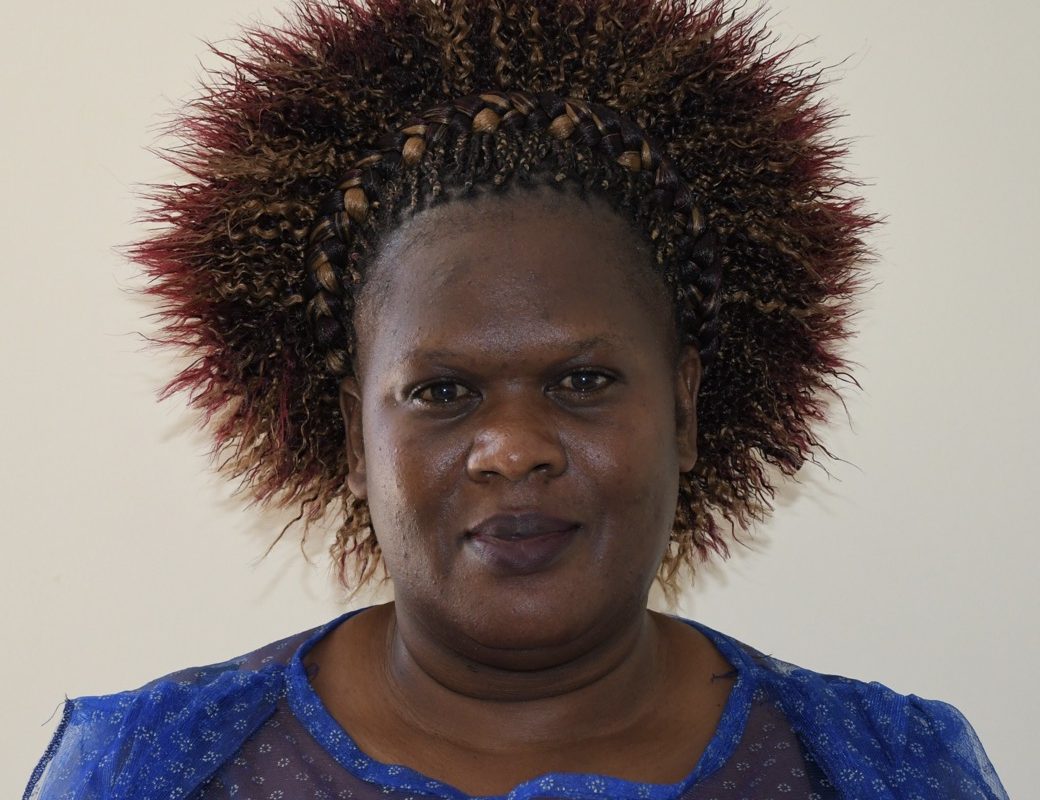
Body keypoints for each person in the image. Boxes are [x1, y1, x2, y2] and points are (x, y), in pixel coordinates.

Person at [24, 1, 1008, 798]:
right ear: (355, 438)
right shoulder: (155, 771)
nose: (512, 446)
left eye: (582, 381)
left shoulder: (881, 770)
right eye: (442, 391)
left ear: (684, 410)